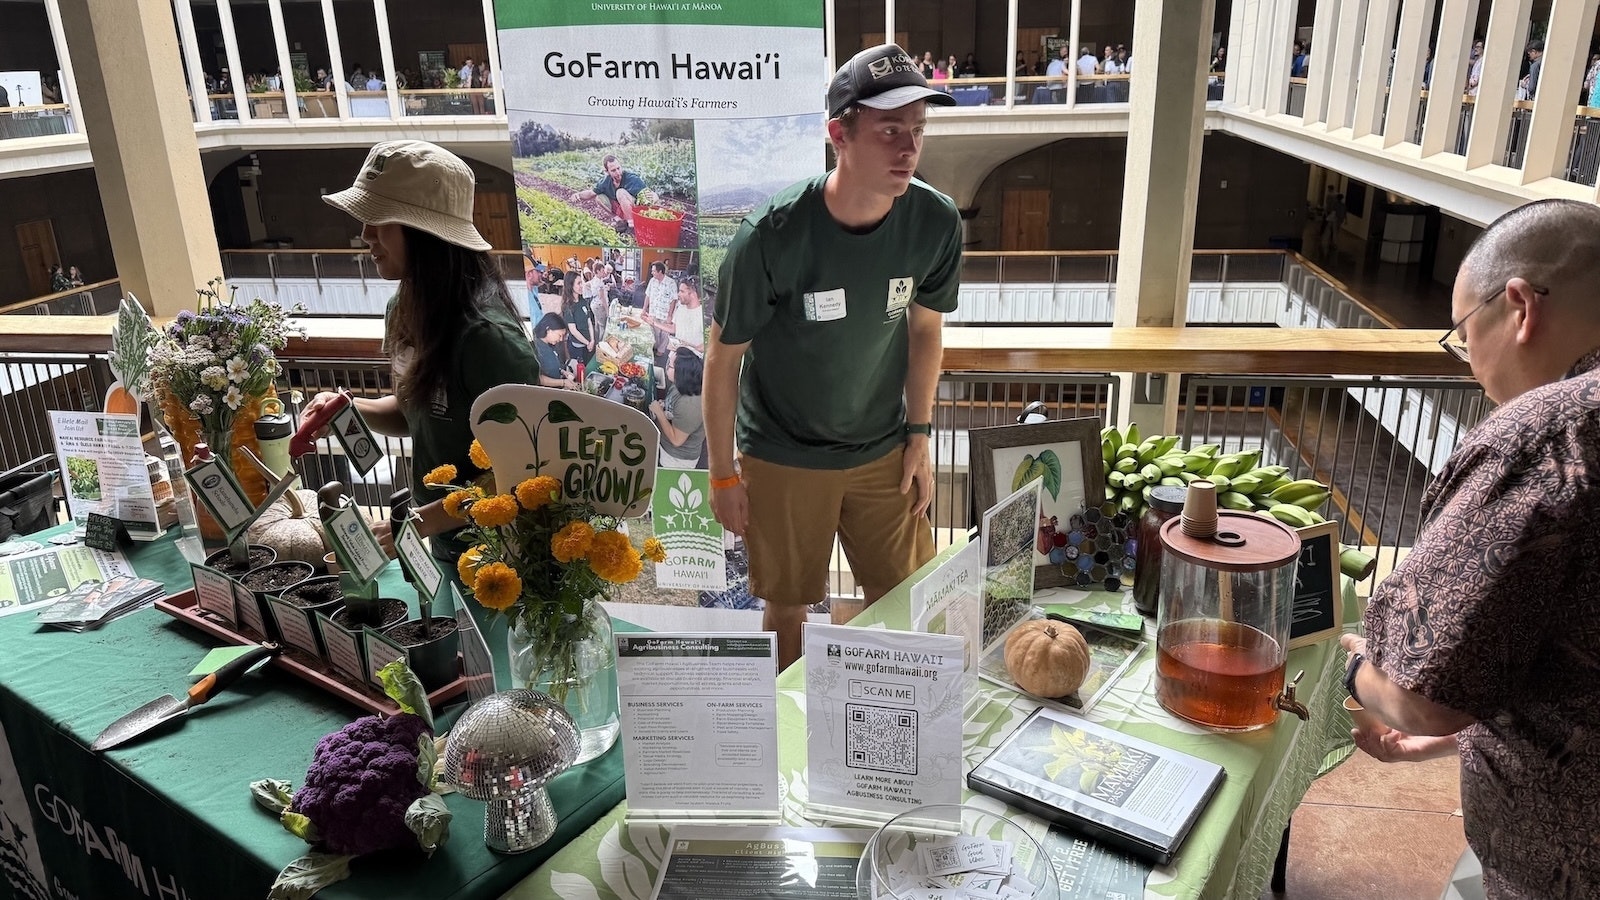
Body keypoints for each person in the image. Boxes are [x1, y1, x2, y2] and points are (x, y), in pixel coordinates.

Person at [1341, 199, 1600, 898]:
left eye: (1462, 333)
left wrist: (1359, 672)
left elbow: (1422, 697)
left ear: (1518, 307)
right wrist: (1467, 732)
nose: (1467, 362)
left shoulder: (1547, 435)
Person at [705, 44, 961, 669]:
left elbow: (925, 332)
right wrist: (722, 474)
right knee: (787, 606)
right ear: (837, 134)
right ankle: (788, 749)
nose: (908, 148)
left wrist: (920, 434)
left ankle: (901, 735)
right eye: (890, 130)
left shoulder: (935, 222)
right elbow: (723, 360)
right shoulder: (771, 235)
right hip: (783, 451)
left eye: (918, 131)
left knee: (905, 601)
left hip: (881, 449)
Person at [303, 140, 540, 559]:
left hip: (503, 559)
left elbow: (521, 476)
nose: (365, 235)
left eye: (379, 219)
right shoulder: (403, 307)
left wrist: (420, 522)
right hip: (444, 546)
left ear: (426, 232)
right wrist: (349, 409)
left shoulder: (491, 341)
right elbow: (417, 411)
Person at [650, 347, 705, 470]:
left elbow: (677, 441)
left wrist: (659, 412)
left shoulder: (690, 404)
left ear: (681, 372)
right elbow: (674, 407)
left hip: (676, 459)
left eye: (670, 366)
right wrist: (664, 405)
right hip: (664, 444)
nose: (666, 366)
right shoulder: (679, 384)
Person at [569, 154, 646, 236]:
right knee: (599, 197)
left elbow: (647, 195)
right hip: (622, 210)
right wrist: (579, 195)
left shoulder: (632, 178)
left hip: (636, 212)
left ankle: (632, 227)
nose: (618, 172)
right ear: (607, 172)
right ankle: (620, 221)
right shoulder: (606, 182)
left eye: (618, 168)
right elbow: (591, 193)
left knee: (620, 192)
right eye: (613, 170)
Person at [641, 261, 677, 369]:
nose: (651, 273)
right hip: (653, 312)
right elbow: (647, 295)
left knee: (665, 334)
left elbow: (673, 300)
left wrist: (670, 315)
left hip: (665, 313)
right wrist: (644, 309)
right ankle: (655, 348)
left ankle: (661, 351)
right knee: (654, 332)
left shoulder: (671, 283)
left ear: (660, 271)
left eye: (653, 271)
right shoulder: (652, 281)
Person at [532, 312, 578, 389]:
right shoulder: (535, 348)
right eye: (559, 335)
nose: (560, 339)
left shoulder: (551, 345)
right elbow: (537, 378)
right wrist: (563, 383)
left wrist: (563, 372)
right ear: (548, 329)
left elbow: (555, 366)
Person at [562, 270, 596, 368]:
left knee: (589, 367)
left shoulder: (583, 301)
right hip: (578, 347)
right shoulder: (568, 307)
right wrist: (587, 343)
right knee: (580, 371)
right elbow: (573, 330)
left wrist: (592, 340)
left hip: (589, 343)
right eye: (578, 283)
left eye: (582, 282)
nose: (582, 286)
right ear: (570, 285)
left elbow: (589, 322)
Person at [665, 276, 705, 352]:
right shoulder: (680, 308)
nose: (678, 294)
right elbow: (674, 329)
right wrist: (654, 322)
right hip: (674, 357)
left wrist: (685, 348)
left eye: (682, 291)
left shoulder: (705, 315)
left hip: (692, 361)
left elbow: (707, 346)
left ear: (693, 294)